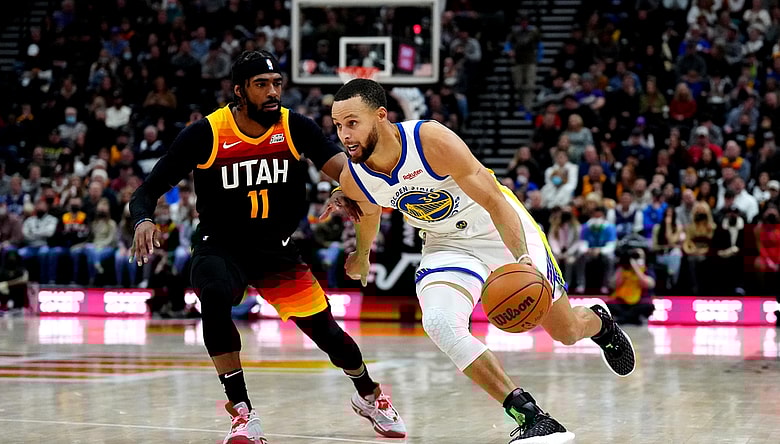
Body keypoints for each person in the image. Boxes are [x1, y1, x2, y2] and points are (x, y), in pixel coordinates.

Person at [328, 79, 636, 443]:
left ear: (380, 116)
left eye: (352, 123)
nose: (344, 135)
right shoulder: (354, 176)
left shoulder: (431, 141)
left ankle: (599, 324)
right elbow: (368, 213)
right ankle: (531, 416)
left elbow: (494, 200)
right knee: (440, 322)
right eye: (337, 126)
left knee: (566, 332)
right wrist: (362, 256)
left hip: (496, 227)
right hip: (445, 244)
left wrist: (522, 259)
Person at [129, 51, 405, 444]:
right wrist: (143, 219)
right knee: (214, 293)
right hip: (220, 245)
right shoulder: (207, 132)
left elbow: (345, 169)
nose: (273, 92)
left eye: (277, 84)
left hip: (276, 250)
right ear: (239, 90)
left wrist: (344, 189)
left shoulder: (295, 127)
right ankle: (242, 412)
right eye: (262, 85)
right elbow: (147, 189)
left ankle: (370, 396)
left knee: (327, 333)